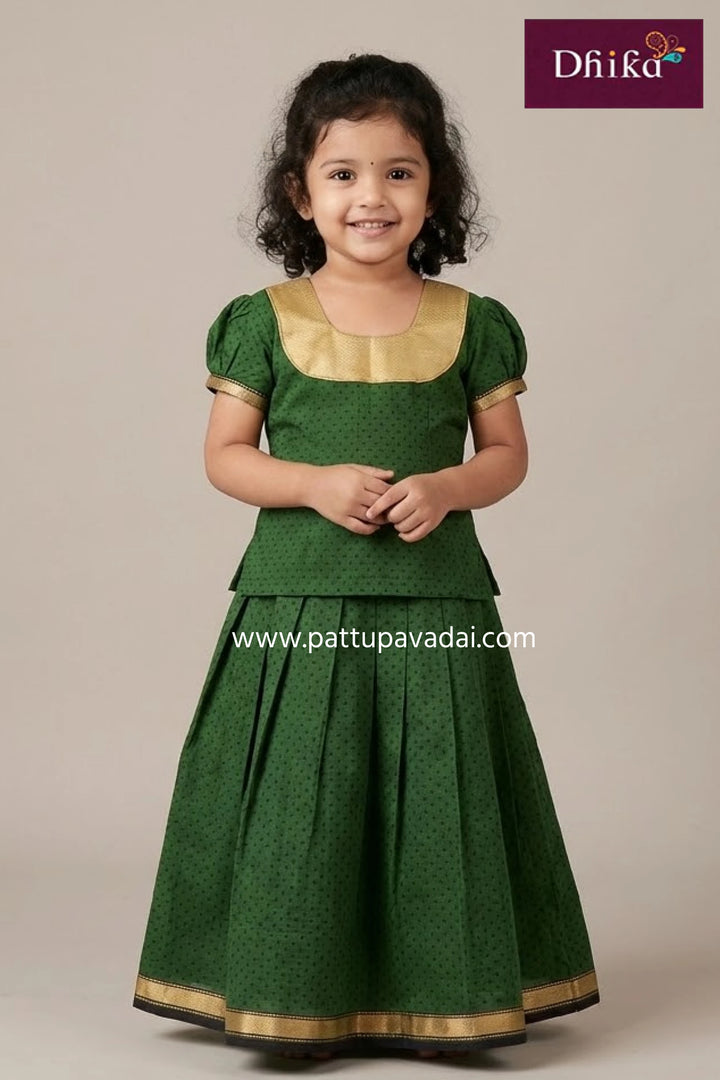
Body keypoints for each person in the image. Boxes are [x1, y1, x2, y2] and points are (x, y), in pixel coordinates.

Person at [131, 53, 600, 1062]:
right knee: (306, 790)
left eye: (399, 171)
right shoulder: (262, 322)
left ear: (436, 190)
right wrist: (310, 482)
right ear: (301, 194)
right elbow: (225, 457)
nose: (371, 196)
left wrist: (445, 488)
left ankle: (449, 1000)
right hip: (297, 606)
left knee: (442, 790)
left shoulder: (474, 323)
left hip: (436, 602)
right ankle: (290, 995)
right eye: (343, 173)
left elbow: (507, 457)